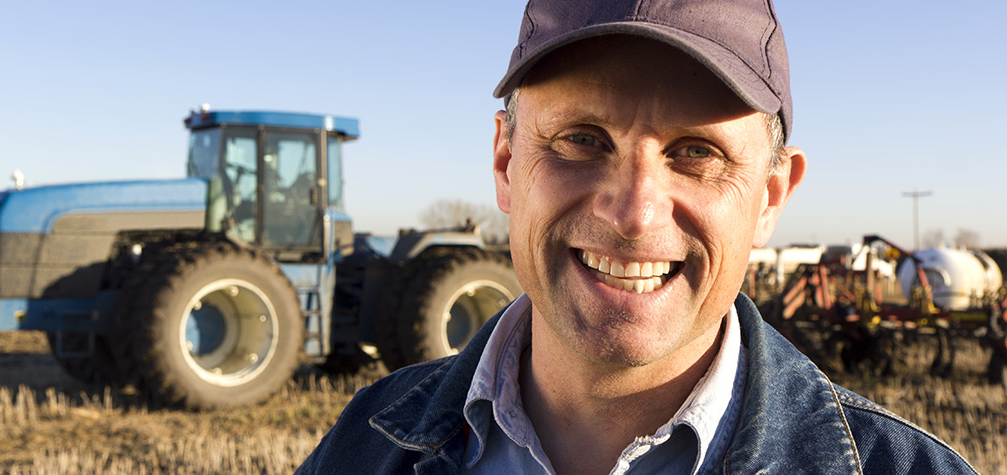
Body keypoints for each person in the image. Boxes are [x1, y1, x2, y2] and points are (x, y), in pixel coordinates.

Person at [298, 0, 976, 473]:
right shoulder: (365, 441)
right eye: (582, 139)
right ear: (506, 164)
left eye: (697, 153)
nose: (635, 213)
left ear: (770, 197)